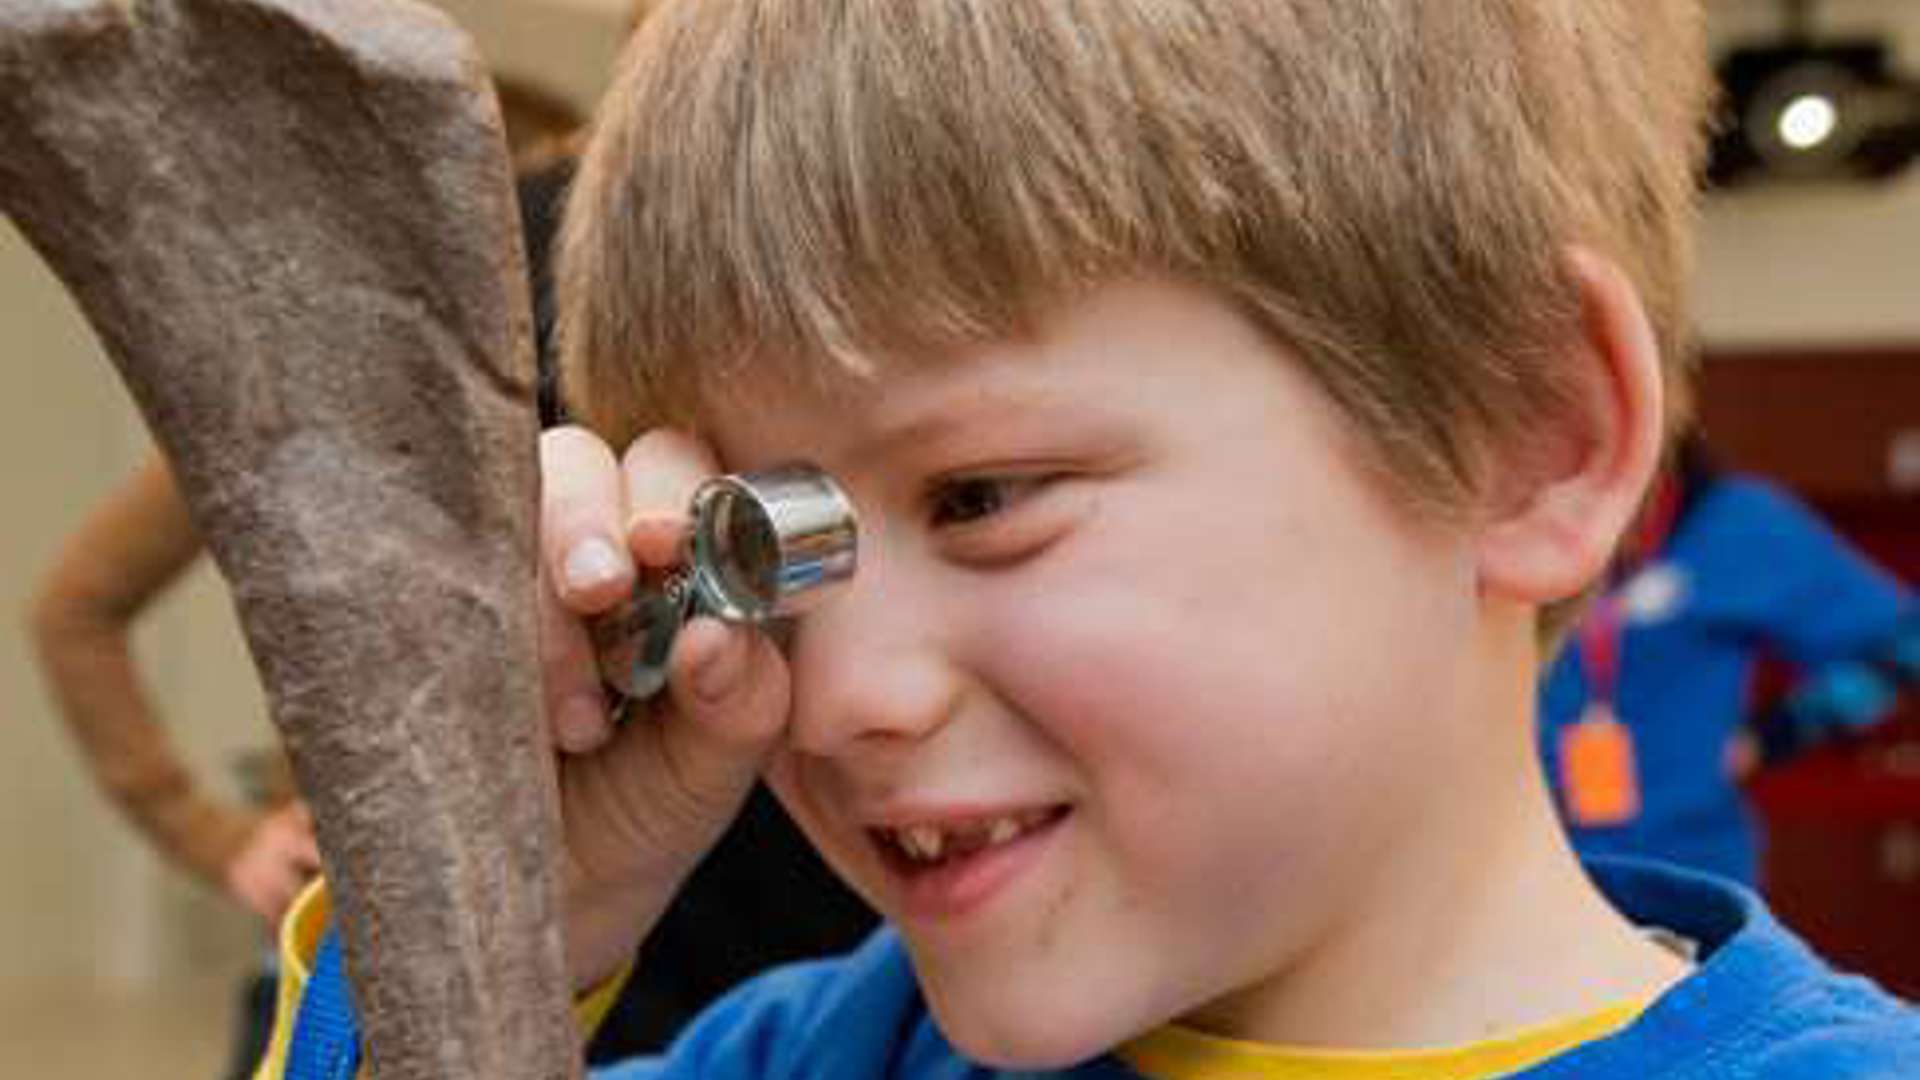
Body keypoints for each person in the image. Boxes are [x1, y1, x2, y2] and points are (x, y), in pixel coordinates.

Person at [265, 1, 1920, 1077]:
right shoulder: (806, 1055)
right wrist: (488, 925)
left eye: (979, 498)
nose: (840, 697)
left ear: (1525, 435)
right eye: (761, 547)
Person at [28, 452, 320, 1080]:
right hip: (320, 957)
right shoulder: (278, 403)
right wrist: (208, 833)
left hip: (563, 962)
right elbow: (74, 612)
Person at [1539, 436, 1916, 886]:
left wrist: (1777, 733)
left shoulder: (1740, 524)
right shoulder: (1517, 523)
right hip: (1529, 868)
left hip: (1685, 868)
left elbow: (1904, 647)